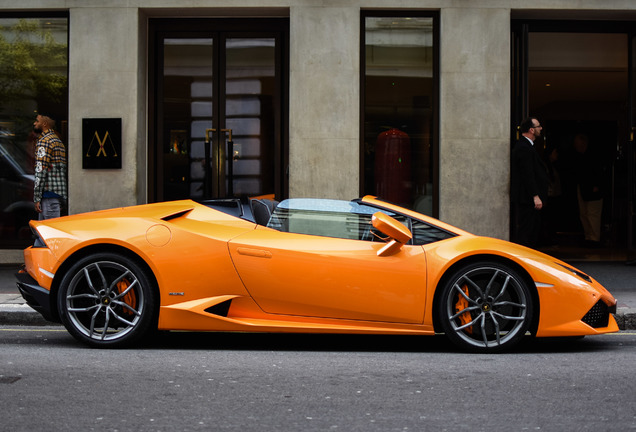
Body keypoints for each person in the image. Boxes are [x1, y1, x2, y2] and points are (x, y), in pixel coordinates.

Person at [511, 117, 549, 247]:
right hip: (527, 199)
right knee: (527, 231)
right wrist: (535, 196)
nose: (541, 129)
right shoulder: (523, 147)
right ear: (532, 130)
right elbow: (527, 174)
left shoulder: (527, 146)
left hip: (529, 198)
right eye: (539, 127)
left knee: (532, 229)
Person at [33, 114, 67, 219]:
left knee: (49, 233)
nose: (34, 123)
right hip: (57, 193)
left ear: (44, 124)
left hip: (48, 195)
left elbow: (41, 170)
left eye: (37, 121)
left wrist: (37, 197)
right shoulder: (57, 141)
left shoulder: (44, 141)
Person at [573, 133, 603, 247]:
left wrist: (597, 185)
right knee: (584, 214)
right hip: (582, 188)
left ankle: (594, 238)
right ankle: (588, 236)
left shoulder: (594, 155)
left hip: (593, 189)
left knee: (593, 214)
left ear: (584, 143)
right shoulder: (579, 156)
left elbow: (599, 172)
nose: (576, 146)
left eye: (578, 143)